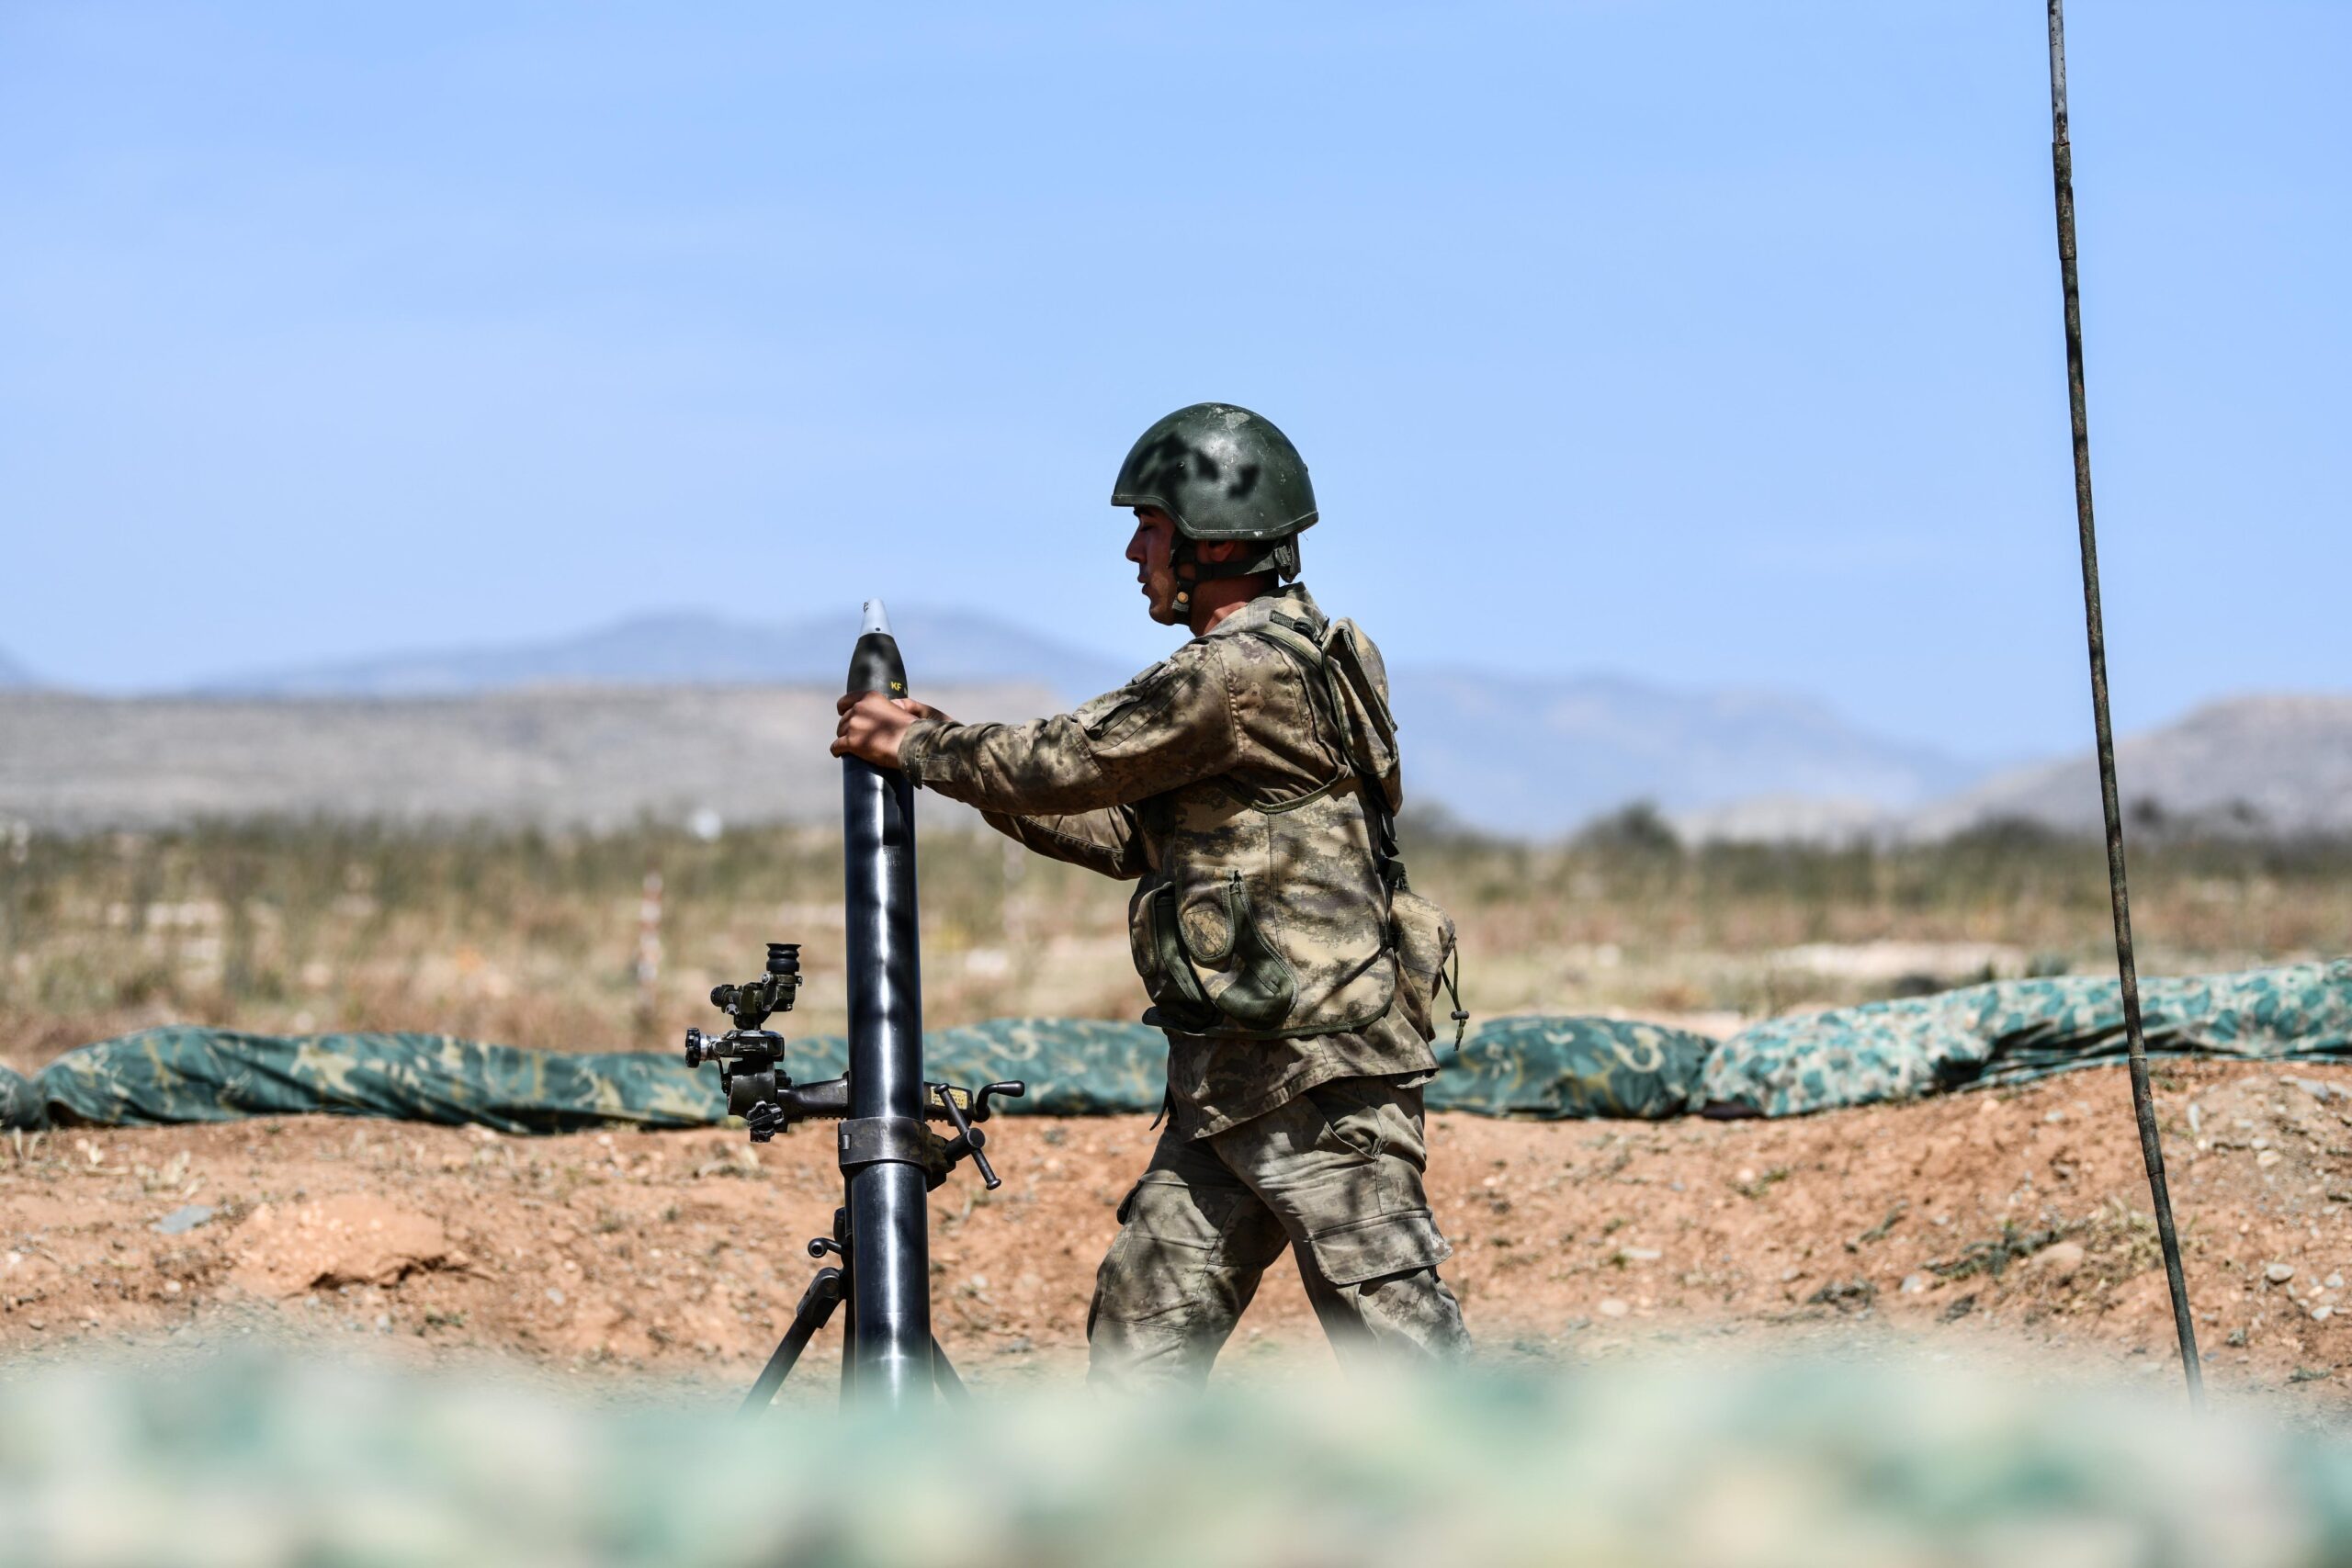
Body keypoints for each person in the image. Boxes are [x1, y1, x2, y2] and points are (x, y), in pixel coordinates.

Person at [832, 402, 1470, 1390]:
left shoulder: (1233, 676)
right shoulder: (1314, 655)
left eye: (1154, 528)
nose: (1136, 551)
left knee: (1405, 1359)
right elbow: (1127, 831)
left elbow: (1069, 759)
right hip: (1230, 1085)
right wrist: (951, 762)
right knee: (1140, 1346)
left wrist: (913, 746)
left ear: (1213, 541)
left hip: (1317, 1082)